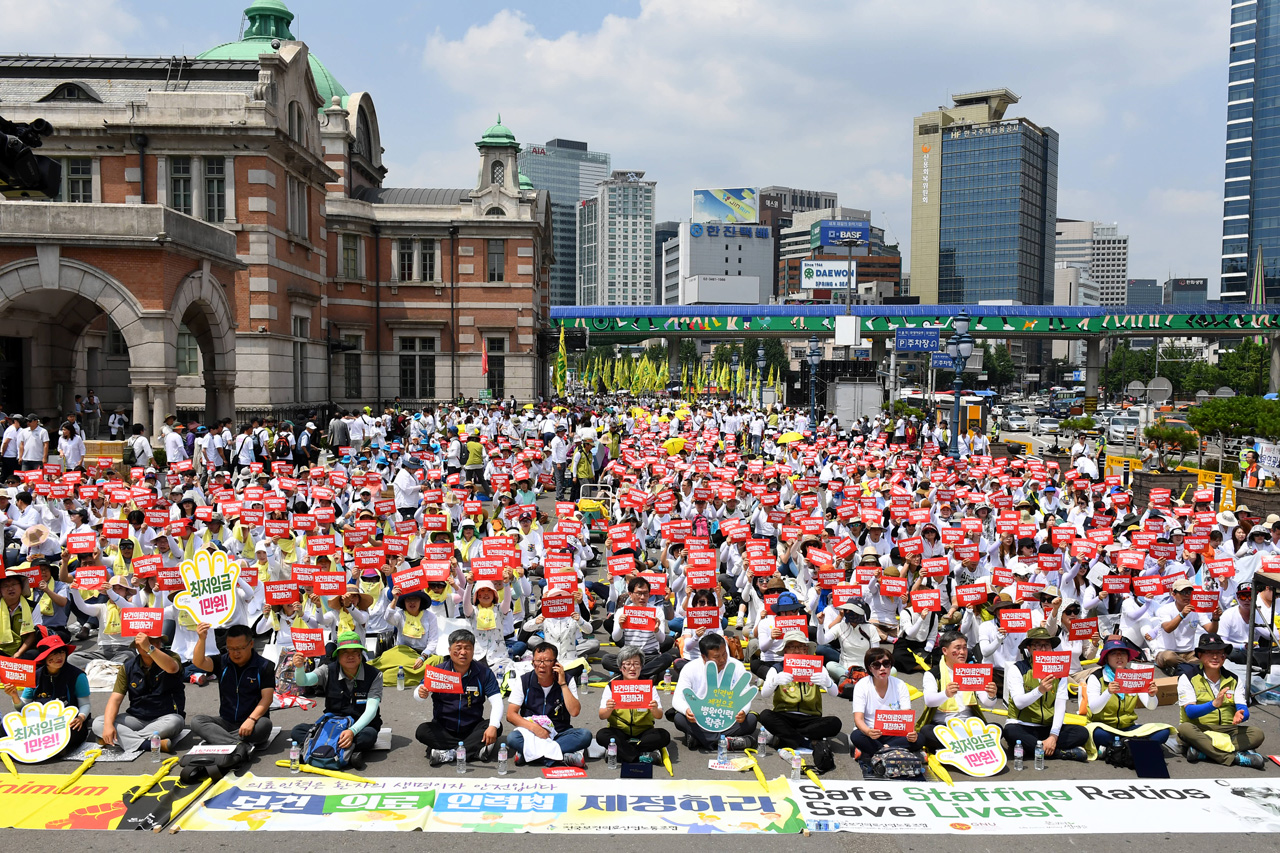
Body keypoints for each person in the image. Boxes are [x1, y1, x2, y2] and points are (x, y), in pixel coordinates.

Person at [290, 631, 382, 769]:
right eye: (345, 652)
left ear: (360, 654)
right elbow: (304, 680)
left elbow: (371, 710)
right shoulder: (327, 670)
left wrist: (352, 731)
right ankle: (348, 753)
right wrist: (299, 668)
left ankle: (318, 749)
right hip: (333, 724)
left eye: (354, 651)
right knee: (297, 731)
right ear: (338, 655)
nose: (350, 656)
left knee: (369, 736)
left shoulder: (375, 674)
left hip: (360, 725)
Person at [414, 628, 504, 766]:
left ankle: (447, 753)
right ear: (450, 650)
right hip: (444, 728)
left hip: (472, 728)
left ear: (473, 650)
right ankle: (472, 750)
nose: (463, 652)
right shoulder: (438, 671)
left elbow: (497, 701)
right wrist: (421, 693)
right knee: (423, 731)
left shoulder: (484, 673)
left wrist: (492, 726)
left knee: (496, 726)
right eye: (458, 648)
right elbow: (418, 694)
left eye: (467, 648)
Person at [1176, 632, 1266, 768]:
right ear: (1199, 655)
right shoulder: (1187, 678)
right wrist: (1213, 704)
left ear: (1224, 656)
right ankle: (1234, 757)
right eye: (1209, 653)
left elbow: (1243, 708)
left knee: (1257, 734)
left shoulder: (1233, 679)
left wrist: (1241, 714)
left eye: (1219, 653)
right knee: (1185, 729)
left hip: (1227, 730)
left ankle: (1204, 751)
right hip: (1200, 729)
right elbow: (1190, 712)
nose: (1215, 657)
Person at [1002, 627, 1088, 761]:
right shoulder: (1017, 668)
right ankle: (1059, 753)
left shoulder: (1059, 670)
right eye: (1037, 645)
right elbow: (1019, 703)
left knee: (1082, 733)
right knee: (1009, 731)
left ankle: (1031, 748)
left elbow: (1060, 705)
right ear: (1029, 648)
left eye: (1046, 645)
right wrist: (1039, 690)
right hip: (1023, 725)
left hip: (1047, 727)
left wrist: (1053, 736)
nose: (1043, 649)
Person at [92, 631, 186, 753]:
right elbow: (115, 699)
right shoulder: (128, 666)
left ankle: (121, 739)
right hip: (136, 718)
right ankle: (147, 744)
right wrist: (108, 725)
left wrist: (149, 648)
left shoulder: (172, 657)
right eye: (148, 642)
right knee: (99, 723)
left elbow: (172, 668)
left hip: (165, 717)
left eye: (157, 642)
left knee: (176, 722)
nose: (154, 645)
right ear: (137, 646)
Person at [1, 635, 92, 756]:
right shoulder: (34, 675)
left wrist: (81, 717)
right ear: (44, 657)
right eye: (53, 653)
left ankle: (58, 749)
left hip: (66, 722)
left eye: (61, 652)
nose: (59, 657)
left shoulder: (77, 676)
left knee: (74, 731)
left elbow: (85, 704)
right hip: (40, 724)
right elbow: (23, 708)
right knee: (4, 728)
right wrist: (14, 696)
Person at [668, 632, 759, 751]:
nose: (722, 660)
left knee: (751, 719)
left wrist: (743, 711)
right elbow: (677, 698)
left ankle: (701, 738)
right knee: (679, 718)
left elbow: (745, 695)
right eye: (716, 657)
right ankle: (726, 742)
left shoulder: (736, 666)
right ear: (704, 657)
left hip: (728, 716)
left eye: (724, 654)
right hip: (700, 717)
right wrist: (687, 711)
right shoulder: (690, 668)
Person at [504, 641, 591, 766]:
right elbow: (511, 715)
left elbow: (574, 711)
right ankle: (562, 757)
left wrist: (562, 684)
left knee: (584, 735)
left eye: (547, 661)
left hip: (559, 733)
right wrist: (535, 728)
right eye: (538, 661)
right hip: (531, 733)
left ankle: (530, 755)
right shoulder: (524, 680)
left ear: (555, 663)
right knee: (513, 738)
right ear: (532, 662)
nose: (542, 665)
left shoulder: (567, 679)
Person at [189, 623, 275, 746]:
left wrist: (251, 720)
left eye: (239, 648)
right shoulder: (222, 661)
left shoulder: (265, 666)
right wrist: (202, 639)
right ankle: (237, 744)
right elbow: (198, 662)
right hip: (226, 722)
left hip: (253, 722)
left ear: (251, 644)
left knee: (265, 725)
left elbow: (267, 698)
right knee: (197, 721)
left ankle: (220, 740)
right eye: (231, 649)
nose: (235, 653)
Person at [1084, 638, 1172, 753]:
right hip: (1104, 727)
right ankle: (1136, 746)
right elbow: (1094, 709)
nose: (1119, 657)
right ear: (1106, 658)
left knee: (1163, 731)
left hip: (1128, 727)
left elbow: (1151, 706)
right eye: (1114, 653)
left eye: (1123, 653)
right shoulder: (1096, 677)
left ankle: (1119, 747)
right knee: (1096, 733)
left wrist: (1151, 695)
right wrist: (1108, 692)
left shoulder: (1135, 675)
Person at [918, 629, 999, 753]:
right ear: (945, 651)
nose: (962, 652)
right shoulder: (933, 674)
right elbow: (929, 701)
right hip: (944, 727)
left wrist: (991, 695)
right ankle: (970, 745)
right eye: (957, 648)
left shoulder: (973, 672)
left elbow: (987, 702)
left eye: (965, 648)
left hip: (970, 725)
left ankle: (954, 746)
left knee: (997, 728)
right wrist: (946, 694)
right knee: (926, 732)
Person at [758, 631, 843, 750]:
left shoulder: (818, 667)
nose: (797, 650)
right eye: (792, 647)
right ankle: (805, 742)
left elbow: (834, 693)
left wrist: (828, 683)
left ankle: (787, 737)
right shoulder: (777, 668)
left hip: (810, 718)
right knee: (765, 715)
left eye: (801, 647)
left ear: (806, 649)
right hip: (784, 715)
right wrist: (774, 681)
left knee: (835, 723)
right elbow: (764, 694)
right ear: (785, 650)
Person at [596, 644, 671, 763]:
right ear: (621, 667)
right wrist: (608, 709)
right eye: (628, 664)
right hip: (619, 730)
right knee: (602, 735)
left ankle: (621, 752)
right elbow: (602, 715)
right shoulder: (612, 687)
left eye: (636, 664)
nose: (632, 668)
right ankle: (640, 756)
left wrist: (654, 708)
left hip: (643, 731)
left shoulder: (648, 686)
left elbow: (659, 715)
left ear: (641, 667)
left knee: (663, 735)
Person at [849, 646, 920, 763]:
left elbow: (906, 716)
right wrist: (868, 731)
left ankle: (880, 751)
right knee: (856, 736)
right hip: (872, 733)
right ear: (870, 668)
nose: (882, 668)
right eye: (876, 665)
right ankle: (897, 751)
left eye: (886, 664)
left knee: (919, 738)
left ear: (891, 666)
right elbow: (858, 719)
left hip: (895, 733)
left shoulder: (900, 684)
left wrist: (911, 733)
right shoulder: (862, 686)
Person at [0, 572, 37, 659]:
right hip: (2, 648)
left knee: (33, 654)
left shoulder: (33, 606)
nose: (10, 588)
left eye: (14, 584)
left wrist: (18, 654)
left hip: (24, 649)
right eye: (5, 586)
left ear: (21, 587)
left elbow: (33, 634)